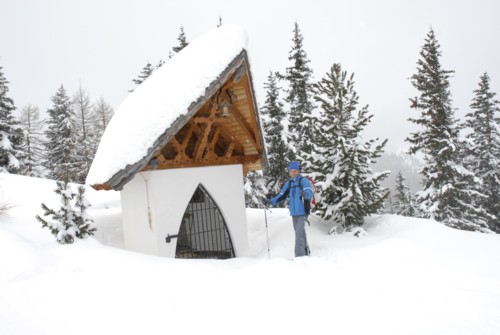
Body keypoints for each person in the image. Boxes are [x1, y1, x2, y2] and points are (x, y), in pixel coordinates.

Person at [269, 161, 314, 257]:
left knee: (298, 235)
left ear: (298, 171)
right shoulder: (289, 184)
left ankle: (299, 257)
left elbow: (309, 191)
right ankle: (306, 252)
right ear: (289, 172)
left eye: (295, 171)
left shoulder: (303, 181)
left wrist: (305, 194)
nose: (293, 173)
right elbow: (282, 195)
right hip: (294, 213)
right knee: (300, 233)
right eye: (291, 171)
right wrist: (271, 202)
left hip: (302, 212)